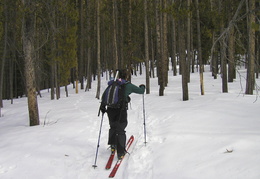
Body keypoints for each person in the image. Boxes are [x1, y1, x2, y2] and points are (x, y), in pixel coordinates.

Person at [100, 69, 145, 159]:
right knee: (120, 129)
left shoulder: (112, 84)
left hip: (110, 109)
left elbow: (103, 96)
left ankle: (113, 145)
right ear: (126, 76)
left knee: (113, 126)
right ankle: (120, 152)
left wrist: (102, 106)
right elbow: (141, 91)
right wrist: (143, 86)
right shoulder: (127, 85)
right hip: (121, 110)